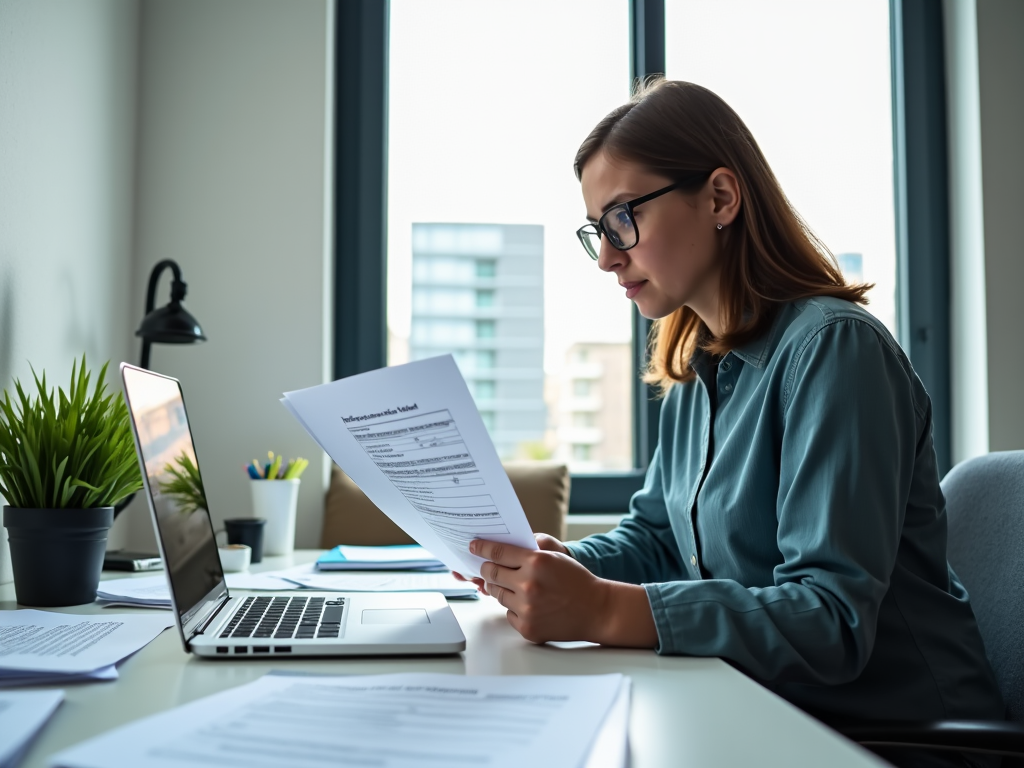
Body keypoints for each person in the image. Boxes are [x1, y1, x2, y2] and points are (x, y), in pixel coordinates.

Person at [454, 79, 1004, 767]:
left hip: (897, 740)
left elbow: (828, 619)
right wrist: (556, 570)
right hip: (766, 708)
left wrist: (599, 610)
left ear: (719, 198)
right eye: (597, 230)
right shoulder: (696, 367)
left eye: (623, 219)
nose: (606, 256)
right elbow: (658, 538)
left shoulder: (835, 351)